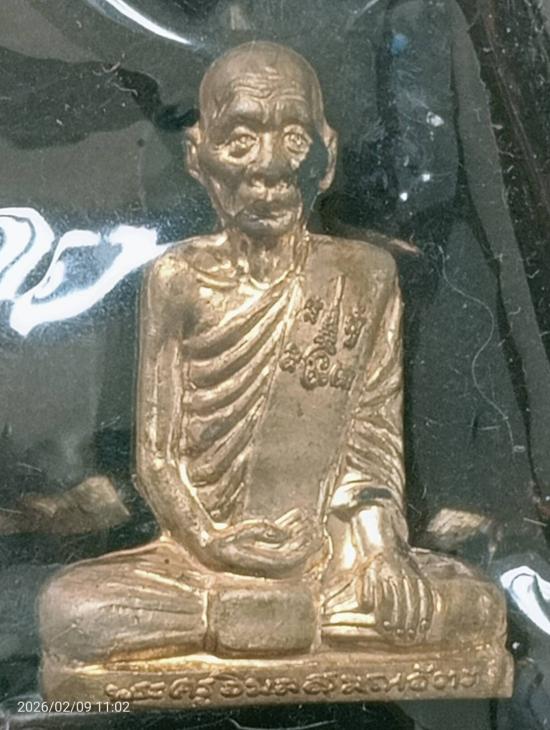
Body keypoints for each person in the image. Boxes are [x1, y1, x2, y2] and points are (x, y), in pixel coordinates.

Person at [40, 41, 506, 672]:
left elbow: (370, 442)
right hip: (202, 560)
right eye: (239, 140)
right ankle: (266, 620)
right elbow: (157, 456)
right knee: (74, 611)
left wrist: (379, 553)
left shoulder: (364, 276)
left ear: (327, 155)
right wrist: (215, 544)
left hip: (333, 559)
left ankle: (255, 624)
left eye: (293, 137)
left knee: (477, 605)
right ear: (198, 156)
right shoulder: (177, 278)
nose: (268, 166)